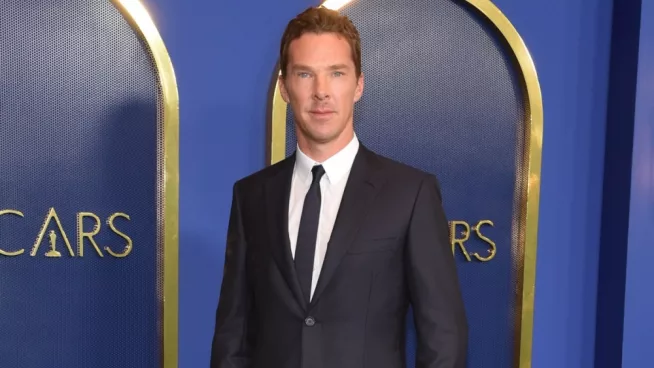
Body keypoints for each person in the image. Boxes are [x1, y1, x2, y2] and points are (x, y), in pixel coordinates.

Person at [210, 6, 467, 368]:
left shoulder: (410, 194)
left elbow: (444, 339)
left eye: (336, 73)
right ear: (285, 87)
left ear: (358, 85)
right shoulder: (251, 196)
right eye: (305, 74)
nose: (321, 92)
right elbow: (231, 336)